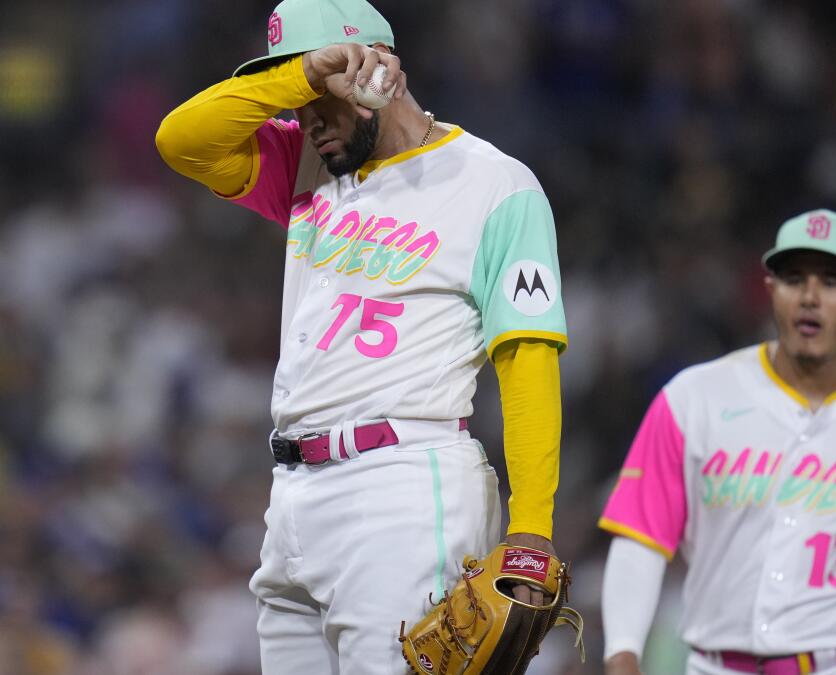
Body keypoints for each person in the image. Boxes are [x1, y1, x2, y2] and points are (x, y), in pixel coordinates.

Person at [155, 0, 571, 672]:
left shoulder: (496, 184)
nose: (309, 117)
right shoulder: (307, 163)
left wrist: (532, 529)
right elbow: (181, 140)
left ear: (383, 71)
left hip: (404, 485)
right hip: (291, 496)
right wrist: (302, 79)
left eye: (326, 95)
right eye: (303, 98)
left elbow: (527, 363)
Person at [598, 210, 836, 674]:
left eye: (833, 281)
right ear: (769, 290)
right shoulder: (692, 399)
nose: (810, 297)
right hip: (717, 665)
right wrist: (622, 654)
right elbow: (640, 540)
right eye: (793, 278)